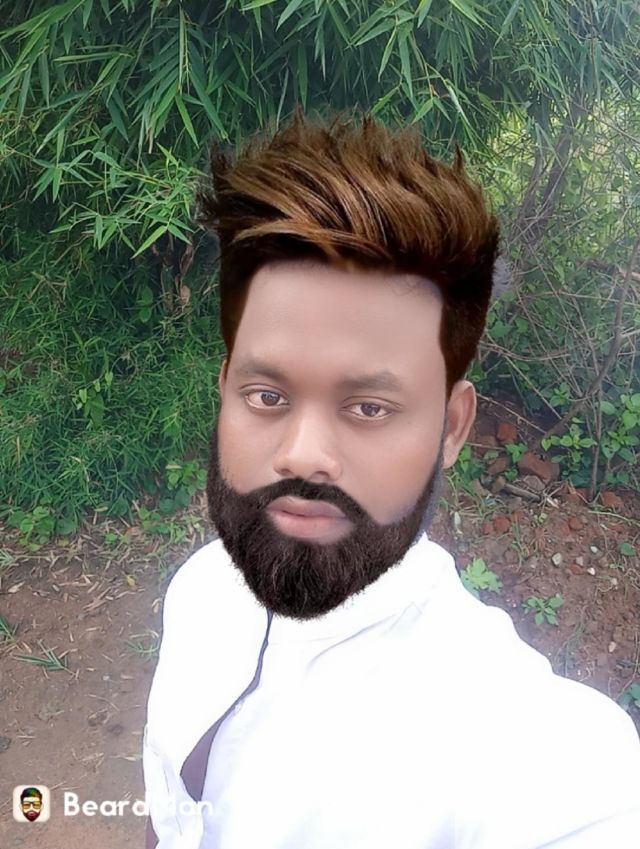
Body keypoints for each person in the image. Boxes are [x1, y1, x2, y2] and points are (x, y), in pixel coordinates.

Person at [142, 105, 640, 848]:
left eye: (369, 407)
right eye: (267, 395)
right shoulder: (201, 588)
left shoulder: (533, 752)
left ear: (452, 427)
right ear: (224, 389)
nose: (302, 454)